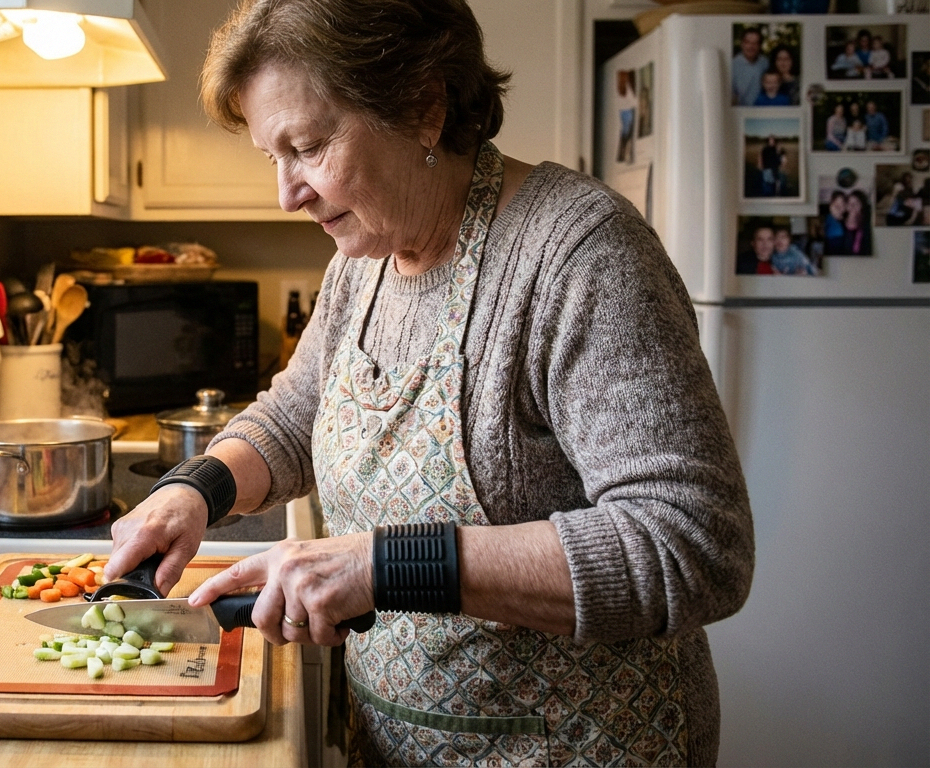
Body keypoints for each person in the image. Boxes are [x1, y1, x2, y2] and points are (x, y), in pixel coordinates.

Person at [106, 1, 755, 765]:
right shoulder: (363, 258)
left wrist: (380, 566)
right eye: (271, 157)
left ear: (423, 107)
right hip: (400, 741)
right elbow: (297, 410)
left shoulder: (580, 254)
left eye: (309, 146)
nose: (287, 193)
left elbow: (694, 545)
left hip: (572, 746)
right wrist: (199, 487)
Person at [732, 27, 769, 105]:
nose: (751, 46)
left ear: (760, 46)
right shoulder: (732, 65)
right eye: (748, 42)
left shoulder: (765, 62)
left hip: (763, 110)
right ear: (742, 44)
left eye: (755, 43)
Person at [844, 190, 873, 255]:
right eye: (849, 203)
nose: (852, 206)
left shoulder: (867, 223)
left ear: (862, 205)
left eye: (856, 203)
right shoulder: (841, 221)